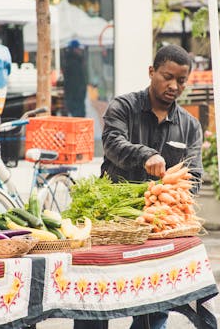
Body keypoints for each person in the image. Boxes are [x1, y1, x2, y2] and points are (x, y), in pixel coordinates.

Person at [74, 44, 203, 329]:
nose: (173, 86)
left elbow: (194, 175)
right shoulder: (123, 107)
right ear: (151, 72)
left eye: (181, 80)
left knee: (154, 306)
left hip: (157, 226)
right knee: (95, 300)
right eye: (167, 76)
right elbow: (112, 144)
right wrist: (146, 155)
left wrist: (171, 201)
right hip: (111, 223)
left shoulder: (190, 126)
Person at [63, 39, 87, 117]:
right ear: (74, 49)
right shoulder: (74, 64)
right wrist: (80, 96)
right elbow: (75, 84)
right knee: (78, 121)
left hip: (75, 99)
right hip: (76, 100)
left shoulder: (71, 62)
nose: (80, 51)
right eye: (79, 49)